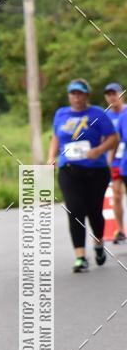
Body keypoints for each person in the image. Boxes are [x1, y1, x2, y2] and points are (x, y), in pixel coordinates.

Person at [47, 79, 118, 272]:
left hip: (96, 171)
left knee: (94, 211)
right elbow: (55, 137)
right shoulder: (61, 114)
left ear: (87, 95)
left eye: (80, 94)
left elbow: (114, 138)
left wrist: (99, 150)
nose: (76, 97)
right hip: (69, 170)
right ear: (69, 96)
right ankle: (80, 257)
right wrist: (51, 157)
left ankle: (98, 243)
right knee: (75, 210)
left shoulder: (97, 114)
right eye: (73, 94)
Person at [103, 83, 126, 243]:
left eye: (114, 93)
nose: (112, 97)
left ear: (121, 94)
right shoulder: (105, 116)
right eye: (108, 94)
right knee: (117, 195)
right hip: (114, 161)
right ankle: (120, 229)